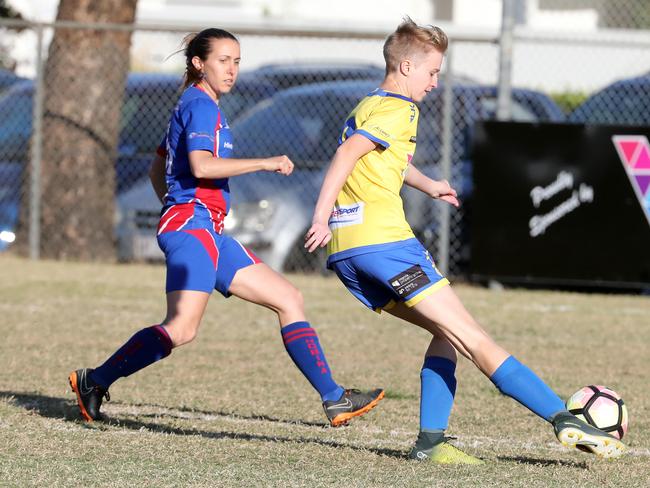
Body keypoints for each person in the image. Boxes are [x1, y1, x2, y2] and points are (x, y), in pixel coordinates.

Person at [304, 17, 626, 462]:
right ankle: (562, 419)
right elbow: (346, 155)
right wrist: (318, 215)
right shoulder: (400, 107)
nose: (435, 82)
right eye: (432, 71)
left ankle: (431, 442)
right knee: (473, 336)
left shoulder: (369, 105)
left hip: (350, 252)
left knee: (447, 335)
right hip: (386, 245)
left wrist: (427, 183)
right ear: (404, 67)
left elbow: (383, 158)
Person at [69, 27, 383, 428]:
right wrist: (262, 164)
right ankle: (94, 381)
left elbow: (157, 166)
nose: (232, 69)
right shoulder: (199, 106)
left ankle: (334, 398)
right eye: (223, 60)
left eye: (236, 61)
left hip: (207, 231)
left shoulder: (199, 105)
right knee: (181, 329)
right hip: (194, 230)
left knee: (288, 297)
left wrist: (176, 204)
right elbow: (201, 166)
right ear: (199, 64)